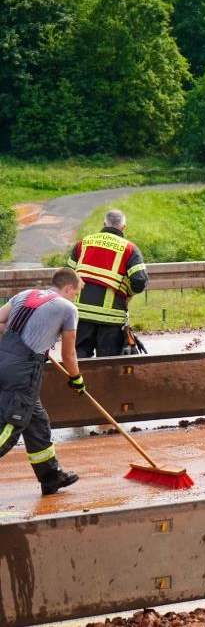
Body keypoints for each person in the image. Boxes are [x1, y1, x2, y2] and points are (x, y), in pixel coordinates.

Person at [0, 268, 87, 495]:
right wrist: (76, 378)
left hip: (3, 357)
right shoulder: (68, 308)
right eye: (75, 293)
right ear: (68, 288)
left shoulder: (26, 294)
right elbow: (68, 355)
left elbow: (0, 321)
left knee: (36, 420)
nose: (74, 298)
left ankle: (51, 476)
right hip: (24, 371)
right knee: (10, 425)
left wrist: (24, 340)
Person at [68, 209, 148, 358]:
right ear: (123, 227)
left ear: (104, 224)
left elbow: (67, 275)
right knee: (108, 364)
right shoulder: (129, 249)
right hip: (111, 318)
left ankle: (80, 382)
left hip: (81, 315)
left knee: (79, 359)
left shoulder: (83, 244)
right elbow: (140, 281)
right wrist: (127, 293)